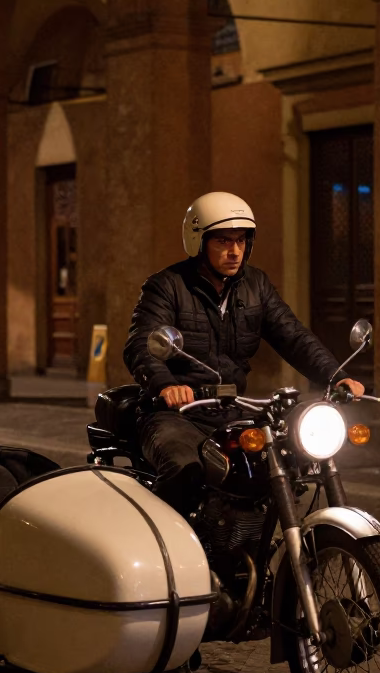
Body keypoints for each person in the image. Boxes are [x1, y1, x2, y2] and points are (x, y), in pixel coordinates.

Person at [124, 191, 365, 517]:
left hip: (232, 410)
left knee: (287, 460)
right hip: (176, 414)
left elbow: (292, 336)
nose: (234, 251)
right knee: (186, 469)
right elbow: (142, 343)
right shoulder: (167, 286)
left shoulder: (256, 285)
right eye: (223, 241)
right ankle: (164, 551)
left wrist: (337, 376)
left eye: (241, 241)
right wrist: (165, 384)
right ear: (199, 241)